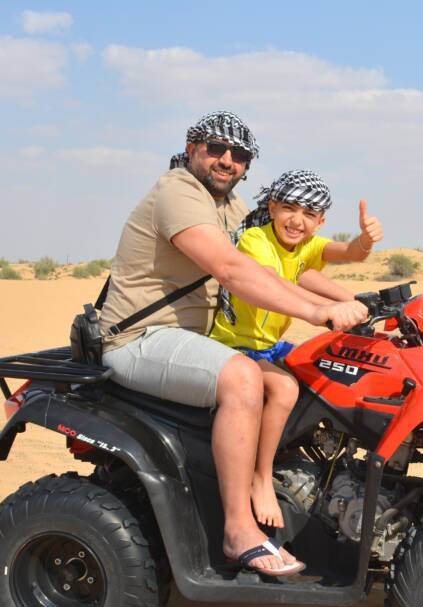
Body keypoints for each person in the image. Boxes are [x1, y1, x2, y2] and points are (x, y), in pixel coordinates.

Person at [98, 112, 368, 576]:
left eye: (239, 154)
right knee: (242, 377)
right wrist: (316, 313)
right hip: (141, 338)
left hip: (190, 340)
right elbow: (233, 270)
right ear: (191, 149)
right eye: (216, 148)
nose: (227, 160)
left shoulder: (231, 206)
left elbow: (288, 264)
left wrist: (355, 300)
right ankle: (238, 529)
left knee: (307, 375)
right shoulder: (179, 191)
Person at [210, 170, 383, 528]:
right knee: (285, 387)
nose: (296, 220)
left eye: (308, 214)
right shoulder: (256, 240)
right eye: (289, 208)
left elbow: (349, 252)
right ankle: (260, 477)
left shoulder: (306, 247)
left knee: (331, 371)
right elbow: (273, 282)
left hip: (269, 346)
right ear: (272, 207)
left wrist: (365, 241)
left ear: (320, 221)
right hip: (234, 345)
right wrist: (324, 312)